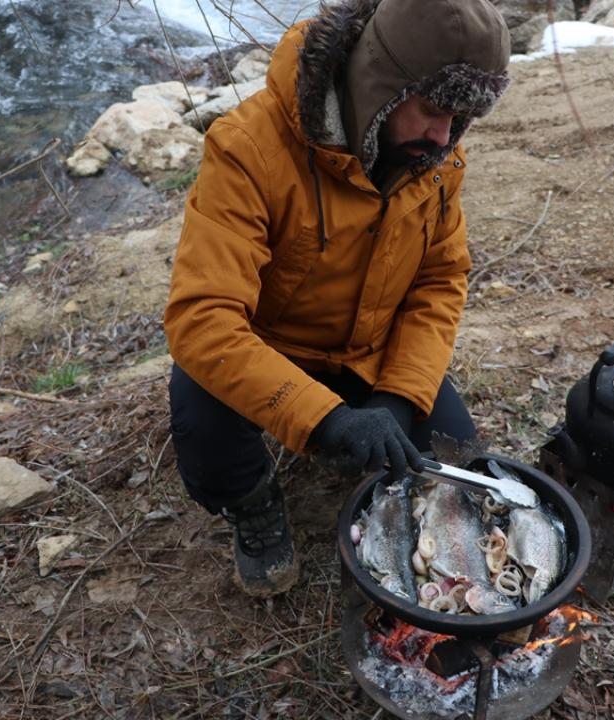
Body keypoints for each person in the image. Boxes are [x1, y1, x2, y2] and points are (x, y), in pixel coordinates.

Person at [164, 0, 512, 597]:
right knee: (204, 424)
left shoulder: (436, 158)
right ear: (379, 85)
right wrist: (326, 421)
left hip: (367, 352)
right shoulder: (248, 148)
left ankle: (405, 523)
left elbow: (440, 280)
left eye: (459, 118)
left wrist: (400, 396)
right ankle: (251, 502)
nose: (444, 137)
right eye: (432, 110)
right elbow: (204, 319)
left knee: (457, 459)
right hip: (269, 348)